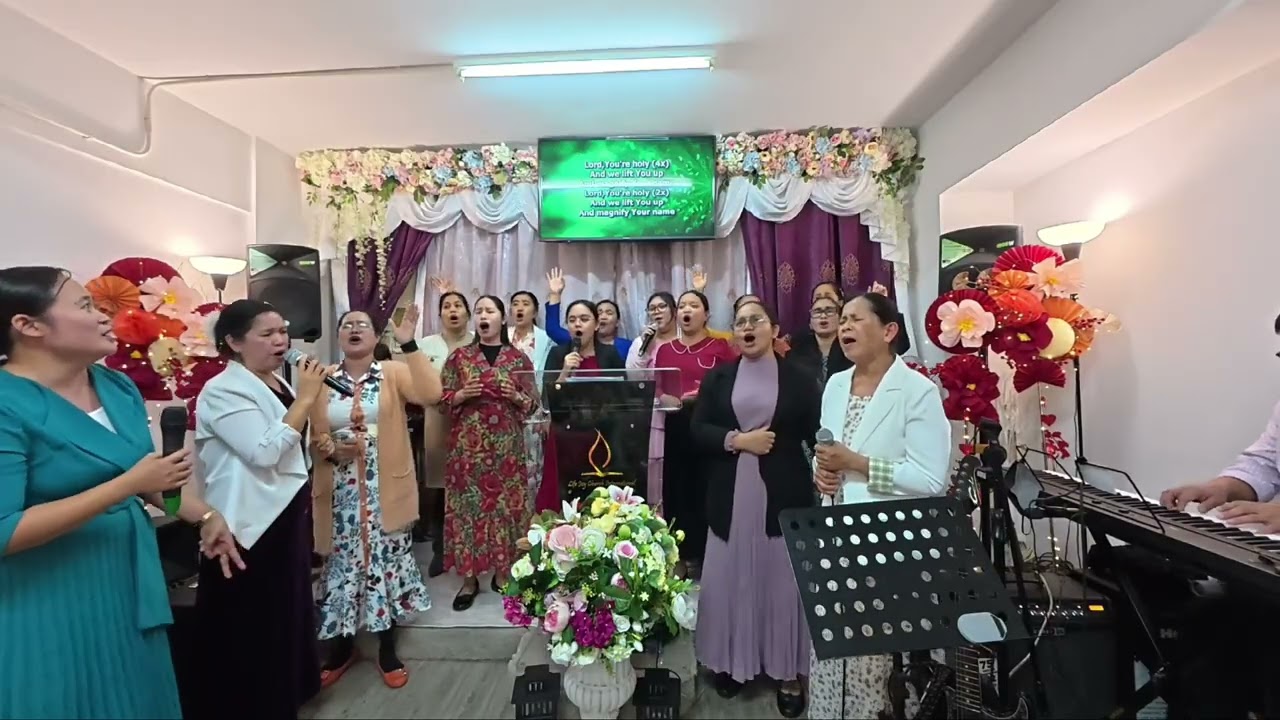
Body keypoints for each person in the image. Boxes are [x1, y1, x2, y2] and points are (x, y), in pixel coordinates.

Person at [0, 266, 238, 719]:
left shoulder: (115, 385)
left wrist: (206, 516)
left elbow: (148, 478)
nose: (108, 316)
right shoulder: (6, 403)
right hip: (46, 596)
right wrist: (127, 487)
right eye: (86, 306)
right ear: (28, 326)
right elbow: (4, 531)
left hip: (127, 581)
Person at [807, 292, 950, 720]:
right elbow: (826, 447)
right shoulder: (835, 384)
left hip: (888, 544)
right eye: (841, 319)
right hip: (833, 537)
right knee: (830, 652)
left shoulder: (918, 391)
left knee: (876, 663)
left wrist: (858, 465)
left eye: (855, 319)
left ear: (889, 331)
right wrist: (822, 471)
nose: (844, 326)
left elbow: (930, 479)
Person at [193, 298, 330, 719]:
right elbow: (264, 452)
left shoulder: (277, 383)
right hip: (248, 523)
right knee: (254, 623)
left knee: (286, 613)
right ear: (234, 342)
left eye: (282, 332)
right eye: (267, 334)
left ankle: (288, 692)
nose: (280, 341)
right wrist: (307, 400)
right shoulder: (222, 389)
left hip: (284, 514)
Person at [691, 300, 818, 717]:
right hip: (729, 496)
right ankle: (730, 663)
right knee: (730, 579)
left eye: (756, 321)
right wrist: (736, 440)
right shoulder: (719, 377)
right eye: (740, 322)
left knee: (781, 583)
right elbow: (698, 430)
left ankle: (786, 671)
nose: (747, 328)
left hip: (783, 497)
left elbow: (819, 434)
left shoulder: (799, 379)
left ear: (773, 329)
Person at [311, 306, 442, 690]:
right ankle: (342, 647)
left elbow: (433, 394)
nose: (354, 329)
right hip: (338, 494)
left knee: (384, 563)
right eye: (347, 325)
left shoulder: (393, 372)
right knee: (342, 567)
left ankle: (387, 646)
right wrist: (330, 446)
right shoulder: (321, 379)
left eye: (362, 325)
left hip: (386, 490)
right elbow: (308, 433)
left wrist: (407, 342)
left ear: (374, 337)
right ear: (338, 337)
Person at [441, 295, 537, 611]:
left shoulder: (518, 359)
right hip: (468, 450)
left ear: (501, 318)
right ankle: (469, 581)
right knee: (469, 511)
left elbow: (535, 405)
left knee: (507, 510)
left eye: (490, 310)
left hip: (508, 448)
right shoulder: (459, 358)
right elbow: (440, 402)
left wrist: (517, 397)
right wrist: (459, 395)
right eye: (479, 310)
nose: (484, 315)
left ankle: (503, 573)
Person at [653, 290, 736, 575]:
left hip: (710, 426)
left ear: (706, 315)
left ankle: (709, 554)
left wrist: (703, 395)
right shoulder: (665, 350)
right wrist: (666, 398)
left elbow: (732, 384)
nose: (688, 310)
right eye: (683, 306)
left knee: (708, 488)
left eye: (694, 305)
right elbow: (658, 386)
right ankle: (681, 554)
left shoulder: (720, 347)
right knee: (677, 489)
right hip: (676, 426)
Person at [538, 300, 627, 511]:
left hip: (602, 436)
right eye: (572, 320)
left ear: (596, 325)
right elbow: (547, 400)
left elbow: (623, 395)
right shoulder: (558, 354)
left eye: (584, 319)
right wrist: (564, 372)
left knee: (598, 500)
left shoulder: (610, 354)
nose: (577, 324)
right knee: (561, 500)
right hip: (564, 435)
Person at [420, 290, 474, 577]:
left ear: (468, 312)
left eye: (458, 305)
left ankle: (472, 551)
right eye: (446, 306)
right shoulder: (425, 345)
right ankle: (441, 552)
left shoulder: (479, 343)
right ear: (439, 314)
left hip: (473, 425)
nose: (452, 310)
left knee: (471, 488)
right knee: (440, 488)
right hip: (438, 421)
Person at [627, 291, 680, 509]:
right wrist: (645, 351)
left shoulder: (682, 339)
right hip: (653, 414)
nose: (656, 312)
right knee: (653, 470)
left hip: (681, 410)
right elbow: (633, 378)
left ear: (674, 311)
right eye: (652, 308)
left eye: (662, 307)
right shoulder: (642, 341)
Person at [544, 267, 633, 358]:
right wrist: (555, 294)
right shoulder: (577, 339)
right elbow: (553, 329)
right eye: (599, 312)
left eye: (609, 313)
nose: (603, 316)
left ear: (617, 321)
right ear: (595, 321)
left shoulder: (628, 346)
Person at [786, 295, 851, 387]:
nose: (823, 316)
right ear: (810, 323)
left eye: (829, 311)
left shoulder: (850, 349)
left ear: (840, 319)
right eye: (817, 312)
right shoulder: (797, 351)